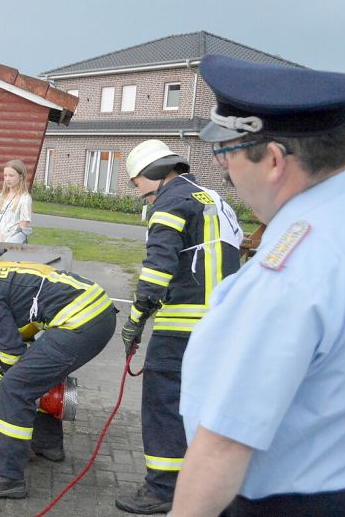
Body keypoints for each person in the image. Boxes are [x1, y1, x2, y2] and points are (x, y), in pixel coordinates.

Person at [169, 56, 345, 517]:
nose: (229, 175)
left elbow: (224, 444)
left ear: (272, 159)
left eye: (226, 153)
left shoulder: (293, 269)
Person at [114, 138, 243, 514]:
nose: (141, 194)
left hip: (184, 324)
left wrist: (135, 321)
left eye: (137, 183)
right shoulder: (213, 199)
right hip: (224, 323)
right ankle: (209, 486)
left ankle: (163, 488)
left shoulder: (170, 201)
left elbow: (156, 271)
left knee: (164, 403)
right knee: (204, 407)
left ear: (152, 174)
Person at [0, 240, 116, 499]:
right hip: (97, 314)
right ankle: (47, 443)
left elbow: (11, 352)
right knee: (30, 377)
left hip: (81, 323)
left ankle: (6, 476)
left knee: (15, 387)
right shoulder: (0, 274)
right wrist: (1, 376)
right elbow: (23, 343)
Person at [0, 159, 33, 243]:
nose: (7, 179)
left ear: (20, 177)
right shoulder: (0, 197)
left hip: (14, 244)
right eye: (5, 175)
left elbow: (23, 227)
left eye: (11, 175)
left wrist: (11, 244)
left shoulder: (24, 198)